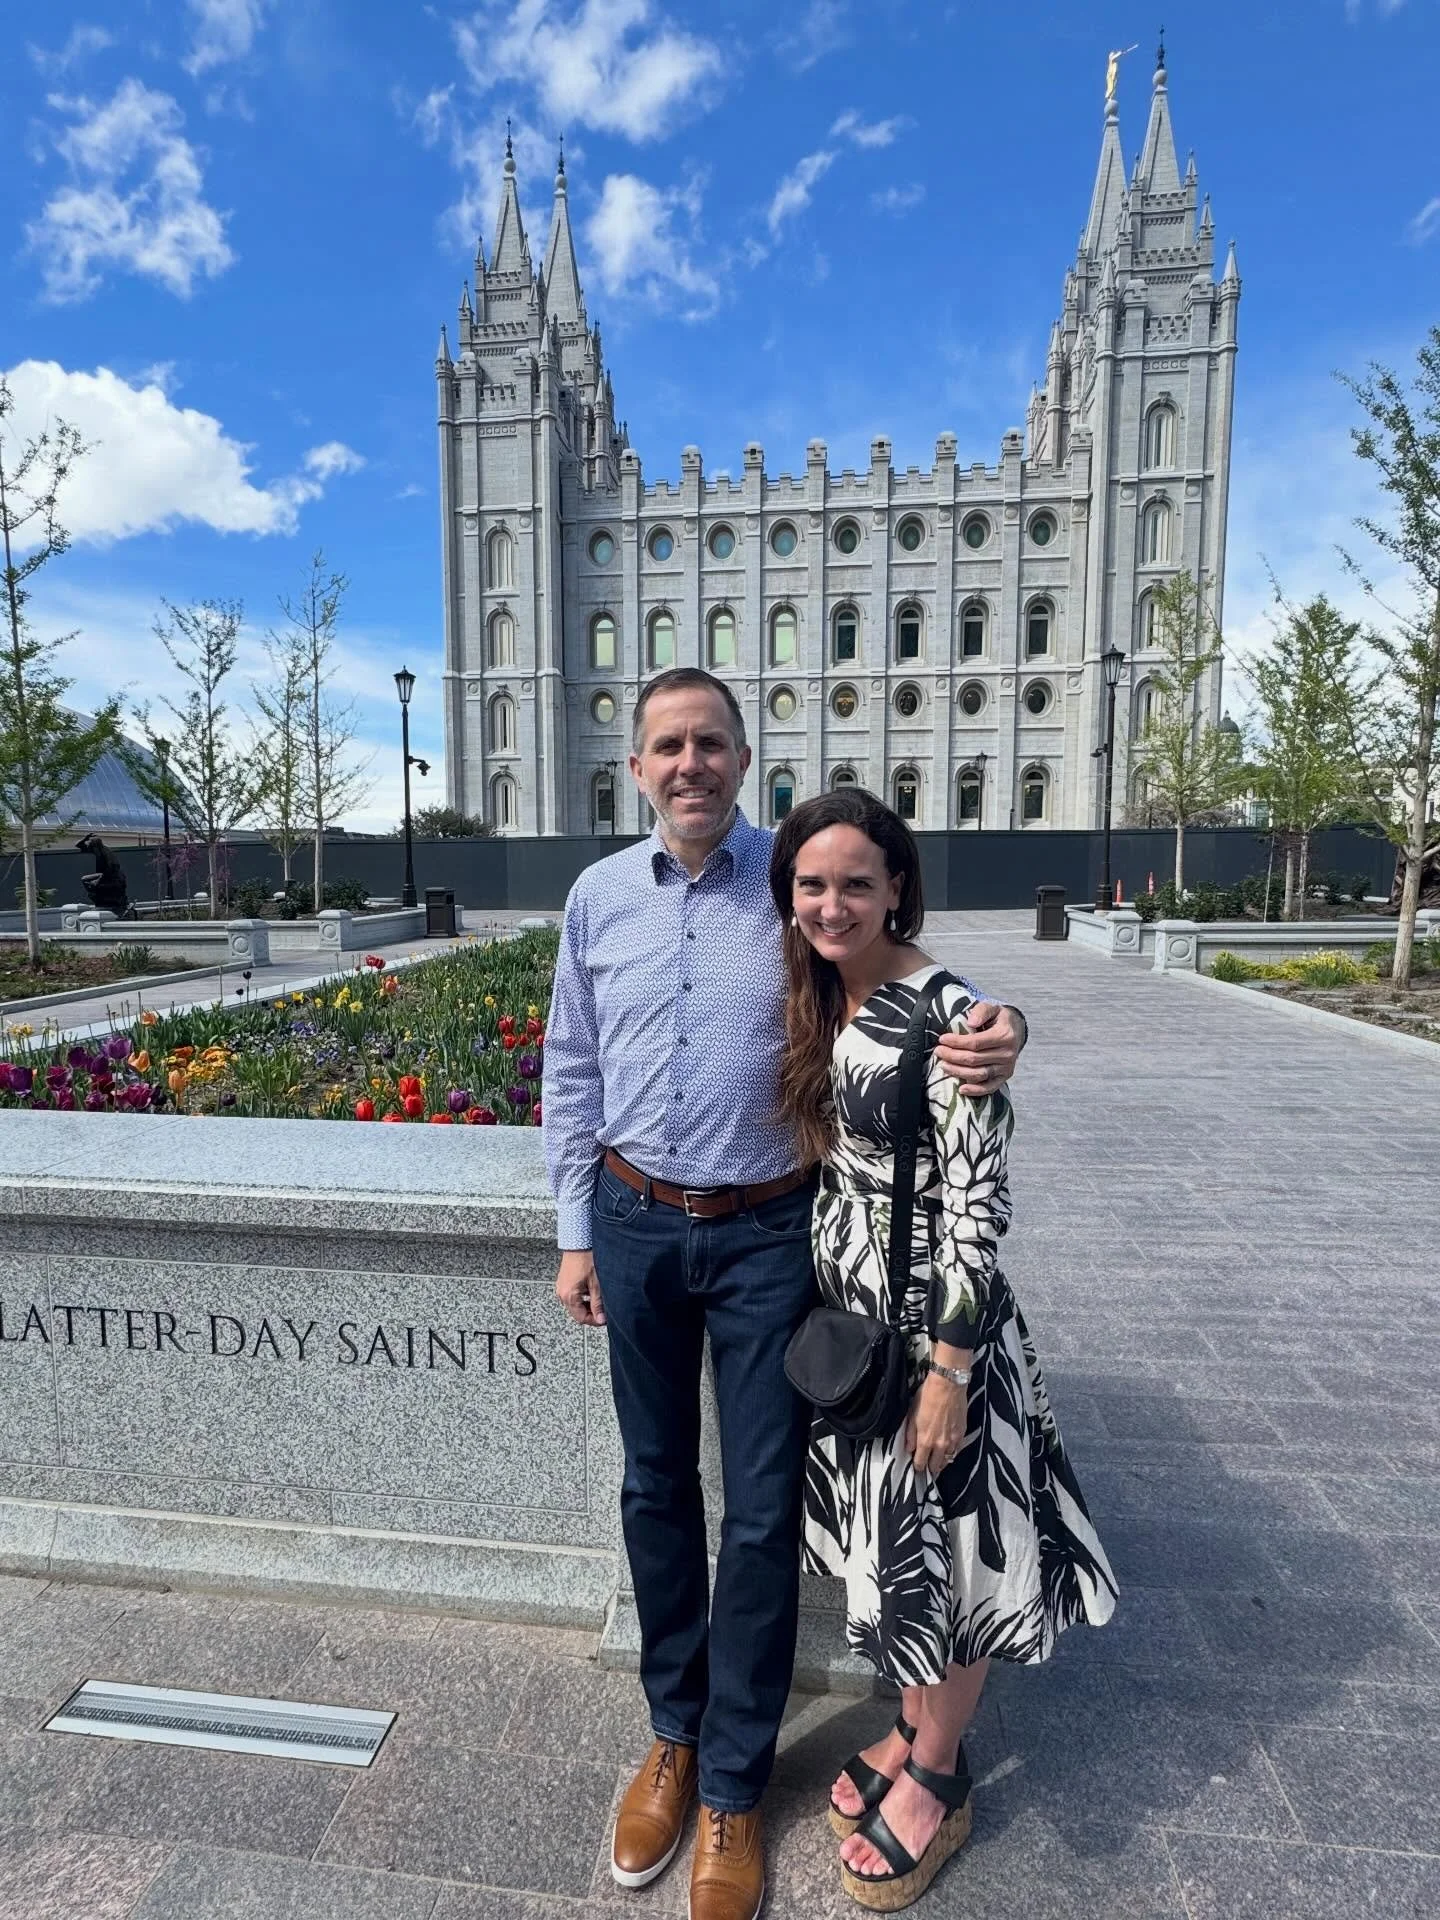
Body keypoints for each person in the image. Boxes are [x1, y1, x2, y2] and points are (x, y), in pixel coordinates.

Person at [545, 669, 1028, 1920]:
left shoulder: (793, 886)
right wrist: (574, 1230)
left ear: (742, 757)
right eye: (668, 745)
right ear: (637, 765)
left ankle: (735, 1784)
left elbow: (904, 981)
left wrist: (999, 1023)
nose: (690, 763)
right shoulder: (597, 896)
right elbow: (571, 1064)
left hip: (770, 1237)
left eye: (711, 742)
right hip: (633, 1220)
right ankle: (674, 1734)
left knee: (758, 1515)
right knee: (654, 1486)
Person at [770, 787, 1117, 1911]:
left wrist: (950, 1376)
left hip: (930, 1338)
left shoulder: (949, 1020)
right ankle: (909, 1727)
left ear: (897, 887)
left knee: (951, 1562)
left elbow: (976, 1203)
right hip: (857, 1330)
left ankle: (936, 1773)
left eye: (855, 883)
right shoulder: (831, 992)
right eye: (811, 884)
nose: (831, 904)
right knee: (900, 1547)